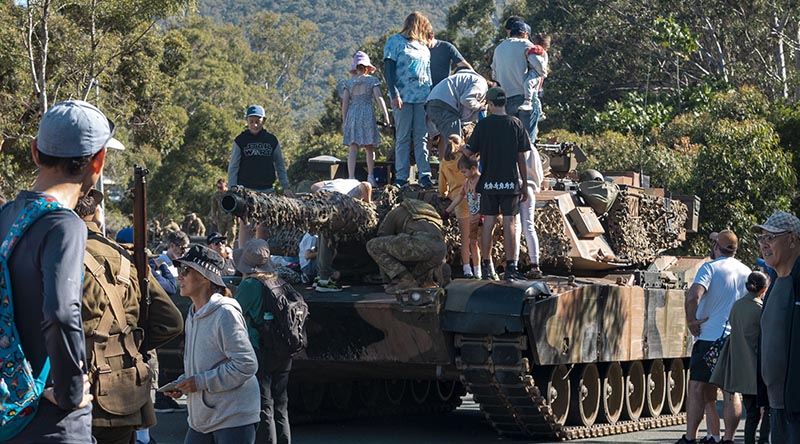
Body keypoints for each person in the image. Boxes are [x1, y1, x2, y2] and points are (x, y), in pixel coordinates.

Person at [0, 99, 110, 443]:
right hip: (49, 420)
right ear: (99, 160)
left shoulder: (5, 216)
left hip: (7, 412)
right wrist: (70, 391)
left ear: (35, 152)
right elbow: (61, 313)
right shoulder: (64, 225)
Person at [73, 190, 184, 444]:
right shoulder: (127, 257)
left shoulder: (61, 251)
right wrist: (127, 347)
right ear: (96, 215)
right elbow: (171, 321)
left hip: (76, 386)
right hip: (123, 386)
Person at [164, 245, 260, 444]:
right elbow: (205, 365)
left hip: (233, 419)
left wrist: (199, 382)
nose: (179, 276)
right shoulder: (193, 313)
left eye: (185, 270)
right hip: (203, 421)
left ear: (205, 277)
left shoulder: (225, 313)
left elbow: (246, 365)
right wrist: (183, 383)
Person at [676, 230, 751, 444]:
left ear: (717, 246)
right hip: (733, 340)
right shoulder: (746, 271)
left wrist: (691, 321)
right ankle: (727, 439)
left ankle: (690, 438)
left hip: (709, 338)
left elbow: (694, 296)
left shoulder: (709, 268)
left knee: (697, 386)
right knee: (731, 390)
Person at [461, 87, 529, 281]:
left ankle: (486, 265)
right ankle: (511, 268)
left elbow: (469, 152)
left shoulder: (484, 125)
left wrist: (460, 150)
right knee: (510, 223)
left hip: (489, 183)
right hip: (510, 183)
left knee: (488, 222)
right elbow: (521, 158)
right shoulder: (516, 124)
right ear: (504, 102)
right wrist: (524, 183)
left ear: (490, 104)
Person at [233, 239, 294, 444]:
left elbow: (233, 312)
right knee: (280, 406)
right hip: (284, 349)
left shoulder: (250, 285)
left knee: (263, 406)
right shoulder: (279, 281)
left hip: (261, 349)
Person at [752, 211, 800, 443]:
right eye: (761, 239)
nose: (764, 245)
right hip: (777, 405)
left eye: (771, 237)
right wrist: (764, 400)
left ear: (792, 239)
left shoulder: (797, 282)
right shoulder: (774, 285)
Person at [710, 270, 771, 444]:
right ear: (764, 289)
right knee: (768, 409)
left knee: (751, 413)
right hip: (760, 369)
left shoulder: (737, 306)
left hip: (742, 368)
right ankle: (763, 441)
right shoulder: (760, 309)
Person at [228, 105, 294, 246]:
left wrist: (285, 186)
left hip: (266, 190)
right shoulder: (240, 140)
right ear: (247, 121)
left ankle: (261, 256)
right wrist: (232, 189)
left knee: (263, 225)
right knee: (246, 224)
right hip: (245, 190)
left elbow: (280, 165)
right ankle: (243, 258)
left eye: (257, 121)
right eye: (251, 121)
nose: (254, 124)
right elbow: (233, 167)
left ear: (263, 120)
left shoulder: (271, 140)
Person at [383, 11, 434, 188]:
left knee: (422, 137)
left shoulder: (424, 48)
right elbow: (388, 70)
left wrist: (431, 97)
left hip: (422, 97)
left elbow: (428, 74)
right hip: (403, 97)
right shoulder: (395, 42)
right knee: (403, 136)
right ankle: (401, 175)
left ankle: (425, 175)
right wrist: (394, 94)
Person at [366, 199, 447, 294]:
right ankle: (424, 281)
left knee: (373, 245)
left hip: (420, 245)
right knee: (417, 275)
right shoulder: (431, 213)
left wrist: (387, 280)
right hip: (441, 251)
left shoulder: (396, 211)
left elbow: (382, 237)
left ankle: (407, 280)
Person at [309, 179, 372, 292]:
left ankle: (319, 277)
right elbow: (365, 185)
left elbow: (314, 186)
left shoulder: (335, 182)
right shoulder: (355, 184)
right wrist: (368, 204)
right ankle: (324, 281)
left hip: (318, 200)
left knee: (322, 236)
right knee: (329, 239)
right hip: (334, 203)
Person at [342, 51, 390, 186]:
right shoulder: (372, 81)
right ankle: (370, 177)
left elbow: (344, 104)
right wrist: (386, 116)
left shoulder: (348, 83)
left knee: (353, 146)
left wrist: (344, 121)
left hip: (353, 115)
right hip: (367, 114)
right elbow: (379, 99)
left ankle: (351, 177)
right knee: (369, 147)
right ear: (367, 67)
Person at [491, 21, 540, 144]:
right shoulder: (525, 44)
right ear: (524, 34)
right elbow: (539, 66)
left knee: (511, 141)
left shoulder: (498, 48)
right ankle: (528, 163)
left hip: (506, 100)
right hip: (525, 97)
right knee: (527, 142)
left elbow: (494, 75)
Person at [425, 65, 488, 158]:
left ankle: (446, 169)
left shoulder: (466, 79)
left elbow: (465, 112)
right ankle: (452, 170)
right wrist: (480, 106)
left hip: (434, 103)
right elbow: (466, 99)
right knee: (455, 144)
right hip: (444, 106)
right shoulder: (481, 84)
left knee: (450, 143)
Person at [441, 138, 482, 279]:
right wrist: (447, 211)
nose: (463, 174)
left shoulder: (444, 162)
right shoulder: (466, 161)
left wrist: (447, 204)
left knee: (466, 240)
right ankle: (478, 270)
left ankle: (468, 269)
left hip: (465, 208)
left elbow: (442, 187)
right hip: (473, 210)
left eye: (464, 172)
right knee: (475, 241)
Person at [518, 33, 551, 115]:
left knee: (528, 84)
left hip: (535, 73)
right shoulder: (543, 53)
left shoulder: (539, 51)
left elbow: (533, 52)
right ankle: (539, 112)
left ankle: (527, 102)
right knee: (535, 95)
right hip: (537, 74)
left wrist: (527, 52)